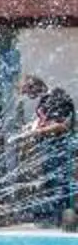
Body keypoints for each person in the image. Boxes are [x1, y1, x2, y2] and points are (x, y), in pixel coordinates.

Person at [11, 72, 76, 228]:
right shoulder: (45, 100)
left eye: (27, 91)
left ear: (34, 86)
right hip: (49, 147)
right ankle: (58, 219)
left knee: (60, 183)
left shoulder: (56, 97)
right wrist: (30, 128)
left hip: (58, 146)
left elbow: (62, 126)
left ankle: (63, 220)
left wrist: (36, 132)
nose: (27, 95)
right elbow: (45, 121)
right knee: (51, 183)